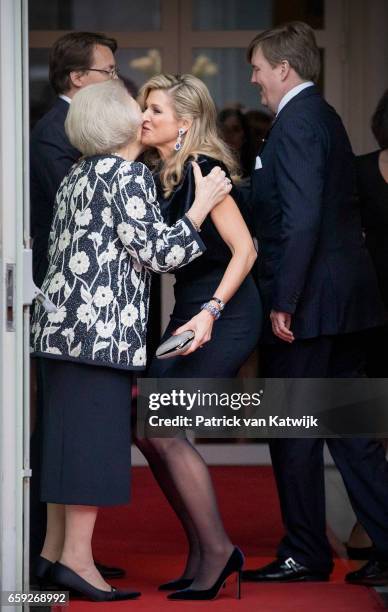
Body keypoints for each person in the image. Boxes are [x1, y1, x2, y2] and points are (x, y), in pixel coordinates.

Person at [30, 79, 232, 601]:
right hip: (97, 339)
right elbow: (160, 253)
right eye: (136, 108)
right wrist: (201, 204)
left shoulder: (78, 175)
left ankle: (53, 558)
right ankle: (76, 563)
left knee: (64, 448)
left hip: (60, 336)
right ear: (120, 123)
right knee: (91, 452)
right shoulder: (125, 175)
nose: (143, 115)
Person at [240, 21, 388, 587]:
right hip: (344, 303)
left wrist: (286, 300)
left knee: (292, 430)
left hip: (312, 307)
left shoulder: (297, 121)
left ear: (284, 68)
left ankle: (305, 551)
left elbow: (300, 220)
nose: (253, 78)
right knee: (351, 433)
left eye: (257, 67)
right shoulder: (320, 115)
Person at [135, 73, 261, 601]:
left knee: (163, 429)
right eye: (144, 106)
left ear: (184, 125)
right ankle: (202, 547)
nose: (144, 116)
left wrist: (210, 311)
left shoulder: (205, 168)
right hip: (190, 309)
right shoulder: (165, 172)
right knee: (147, 430)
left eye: (156, 110)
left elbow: (245, 250)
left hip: (223, 312)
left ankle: (218, 551)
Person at [29, 31, 125, 582]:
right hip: (75, 310)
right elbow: (90, 214)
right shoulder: (54, 135)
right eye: (108, 70)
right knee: (72, 435)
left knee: (67, 433)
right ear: (78, 80)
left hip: (74, 311)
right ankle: (59, 557)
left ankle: (59, 556)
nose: (116, 79)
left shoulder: (66, 132)